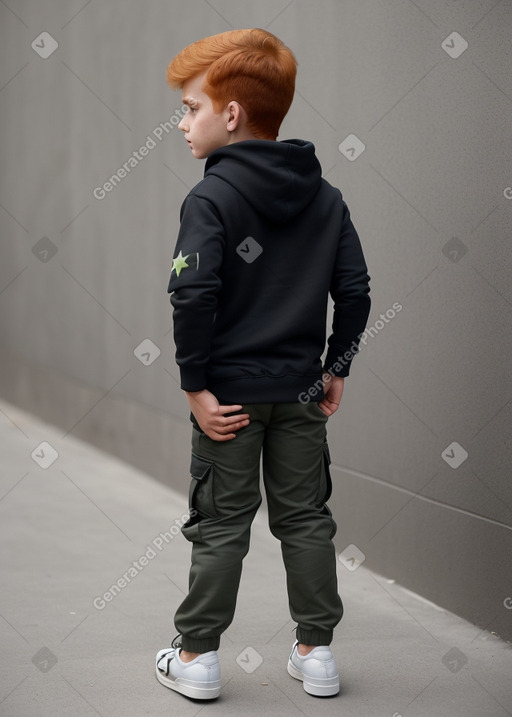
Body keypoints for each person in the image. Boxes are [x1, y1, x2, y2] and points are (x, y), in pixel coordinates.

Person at [156, 28, 371, 701]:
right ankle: (317, 651)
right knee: (306, 519)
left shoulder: (211, 198)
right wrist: (336, 365)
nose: (182, 123)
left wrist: (194, 382)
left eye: (190, 108)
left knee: (221, 522)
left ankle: (196, 657)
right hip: (302, 391)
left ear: (230, 113)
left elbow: (192, 291)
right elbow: (357, 292)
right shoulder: (326, 196)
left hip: (230, 397)